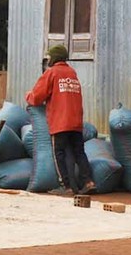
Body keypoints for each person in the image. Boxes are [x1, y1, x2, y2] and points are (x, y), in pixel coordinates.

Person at [25, 44, 97, 196]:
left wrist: (28, 96)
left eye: (49, 57)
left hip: (60, 122)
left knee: (59, 154)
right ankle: (89, 182)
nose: (48, 60)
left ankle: (67, 187)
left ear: (55, 57)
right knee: (79, 152)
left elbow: (37, 97)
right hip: (76, 122)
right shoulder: (72, 72)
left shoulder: (52, 73)